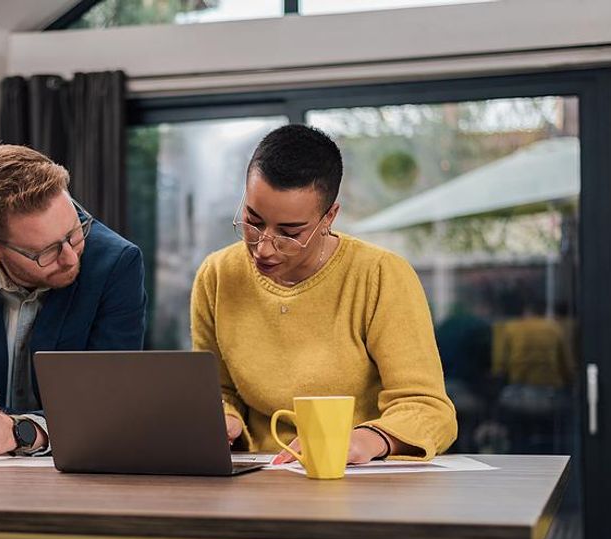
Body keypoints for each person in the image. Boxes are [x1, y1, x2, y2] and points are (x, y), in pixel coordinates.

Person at [190, 125, 456, 464]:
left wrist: (369, 439)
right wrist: (225, 420)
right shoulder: (217, 276)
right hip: (258, 476)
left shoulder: (379, 275)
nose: (264, 247)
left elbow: (429, 409)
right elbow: (220, 392)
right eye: (253, 221)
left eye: (290, 232)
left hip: (355, 478)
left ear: (329, 217)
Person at [0, 144, 147, 456]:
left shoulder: (116, 263)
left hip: (80, 469)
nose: (71, 257)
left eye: (75, 232)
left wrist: (20, 431)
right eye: (46, 251)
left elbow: (109, 403)